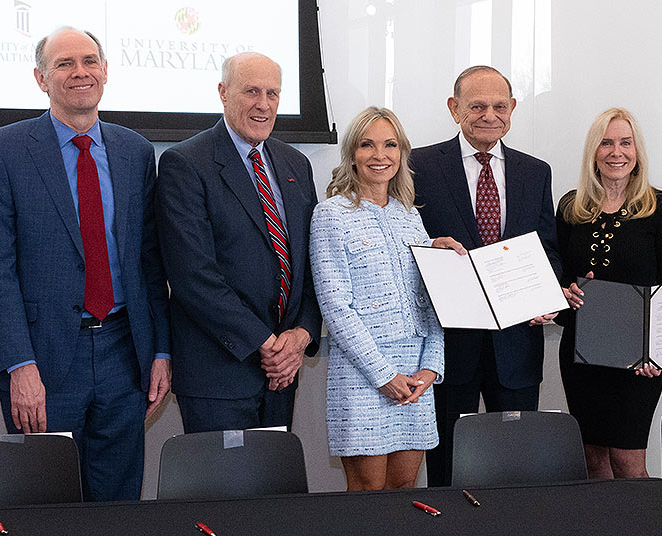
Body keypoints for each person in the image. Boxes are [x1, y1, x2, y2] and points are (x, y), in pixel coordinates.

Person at [0, 27, 170, 501]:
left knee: (118, 503)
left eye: (89, 61)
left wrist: (160, 351)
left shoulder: (136, 151)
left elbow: (150, 261)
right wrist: (19, 365)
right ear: (41, 78)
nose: (80, 72)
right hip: (44, 360)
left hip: (125, 353)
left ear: (105, 72)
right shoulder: (3, 151)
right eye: (64, 64)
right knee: (46, 502)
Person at [412, 65, 561, 487]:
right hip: (448, 347)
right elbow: (405, 243)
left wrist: (546, 296)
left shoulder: (536, 171)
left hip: (517, 347)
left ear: (512, 108)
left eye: (499, 106)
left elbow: (547, 248)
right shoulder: (419, 165)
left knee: (515, 470)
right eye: (477, 106)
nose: (489, 115)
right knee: (446, 468)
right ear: (454, 108)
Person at [157, 51, 321, 433]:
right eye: (251, 91)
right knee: (223, 475)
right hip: (218, 374)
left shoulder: (296, 164)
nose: (263, 104)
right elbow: (193, 276)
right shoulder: (185, 163)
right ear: (223, 92)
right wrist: (266, 344)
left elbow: (313, 264)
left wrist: (301, 336)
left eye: (272, 93)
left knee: (275, 472)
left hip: (282, 373)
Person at [311, 107, 462, 490]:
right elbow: (335, 307)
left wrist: (431, 368)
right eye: (367, 145)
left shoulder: (410, 216)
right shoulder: (330, 215)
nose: (380, 155)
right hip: (363, 375)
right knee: (368, 496)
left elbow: (430, 301)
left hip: (415, 376)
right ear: (352, 154)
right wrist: (383, 376)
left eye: (390, 145)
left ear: (402, 153)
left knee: (405, 490)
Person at [555, 108, 662, 478]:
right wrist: (565, 293)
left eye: (626, 143)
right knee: (592, 459)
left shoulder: (661, 207)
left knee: (628, 461)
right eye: (606, 143)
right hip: (582, 353)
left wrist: (659, 353)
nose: (616, 152)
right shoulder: (571, 207)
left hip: (639, 357)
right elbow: (558, 275)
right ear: (593, 151)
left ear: (637, 151)